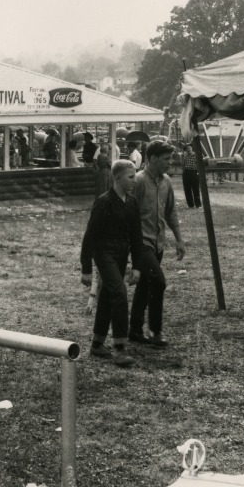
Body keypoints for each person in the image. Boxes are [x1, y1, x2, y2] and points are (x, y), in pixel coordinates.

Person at [80, 159, 144, 367]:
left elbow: (136, 237)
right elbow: (89, 237)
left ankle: (97, 344)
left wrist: (136, 266)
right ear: (117, 178)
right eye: (131, 177)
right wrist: (87, 269)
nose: (134, 180)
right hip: (104, 253)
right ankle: (119, 348)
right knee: (119, 292)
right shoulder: (104, 201)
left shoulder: (133, 202)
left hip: (121, 254)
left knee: (108, 295)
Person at [129, 140, 186, 347]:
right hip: (141, 243)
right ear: (152, 159)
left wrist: (179, 240)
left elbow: (171, 211)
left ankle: (134, 330)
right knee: (159, 283)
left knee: (145, 286)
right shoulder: (138, 181)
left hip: (158, 243)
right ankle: (155, 331)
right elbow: (128, 214)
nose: (169, 163)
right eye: (165, 159)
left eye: (170, 158)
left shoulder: (166, 182)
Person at [180, 143, 201, 209]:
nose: (188, 149)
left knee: (195, 189)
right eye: (187, 149)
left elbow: (199, 164)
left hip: (194, 173)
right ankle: (190, 205)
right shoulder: (184, 156)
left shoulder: (196, 155)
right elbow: (182, 165)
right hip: (186, 173)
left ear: (192, 148)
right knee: (187, 189)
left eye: (189, 148)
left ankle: (198, 204)